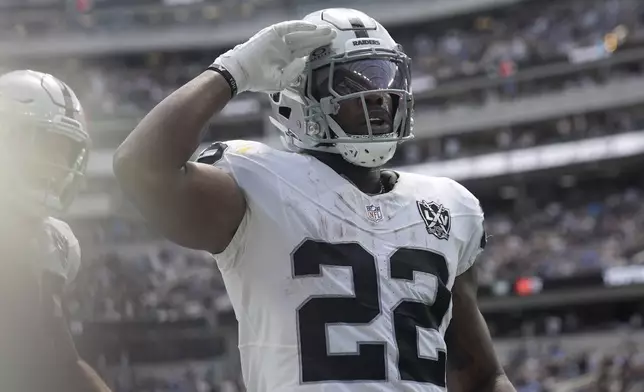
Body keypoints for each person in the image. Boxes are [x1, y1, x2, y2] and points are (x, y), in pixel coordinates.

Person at [114, 8, 515, 392]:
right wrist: (232, 71)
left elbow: (482, 378)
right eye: (353, 82)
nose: (378, 95)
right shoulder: (256, 183)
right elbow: (141, 169)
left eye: (385, 77)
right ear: (299, 97)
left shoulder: (449, 207)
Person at [0, 70, 112, 392]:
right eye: (44, 144)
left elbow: (62, 361)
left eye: (64, 149)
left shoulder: (49, 241)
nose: (56, 163)